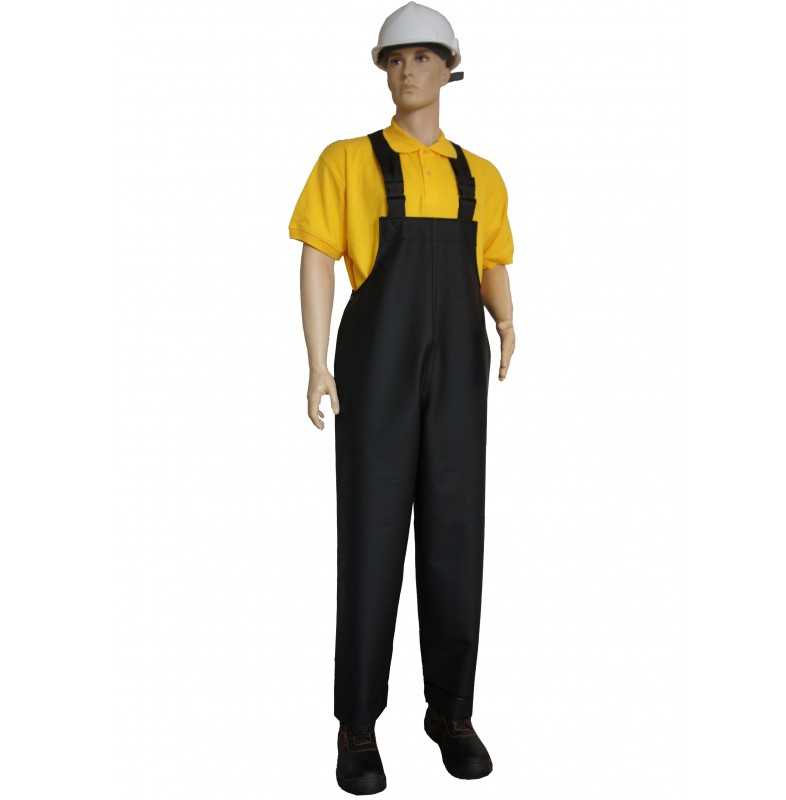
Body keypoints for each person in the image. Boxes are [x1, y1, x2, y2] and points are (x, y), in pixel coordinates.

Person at [288, 2, 516, 794]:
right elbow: (318, 257)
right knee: (372, 536)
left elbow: (491, 262)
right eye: (395, 59)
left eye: (422, 57)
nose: (406, 71)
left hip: (458, 365)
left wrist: (508, 321)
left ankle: (451, 711)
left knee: (456, 535)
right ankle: (357, 725)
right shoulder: (347, 161)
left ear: (449, 68)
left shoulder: (480, 175)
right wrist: (317, 362)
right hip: (376, 363)